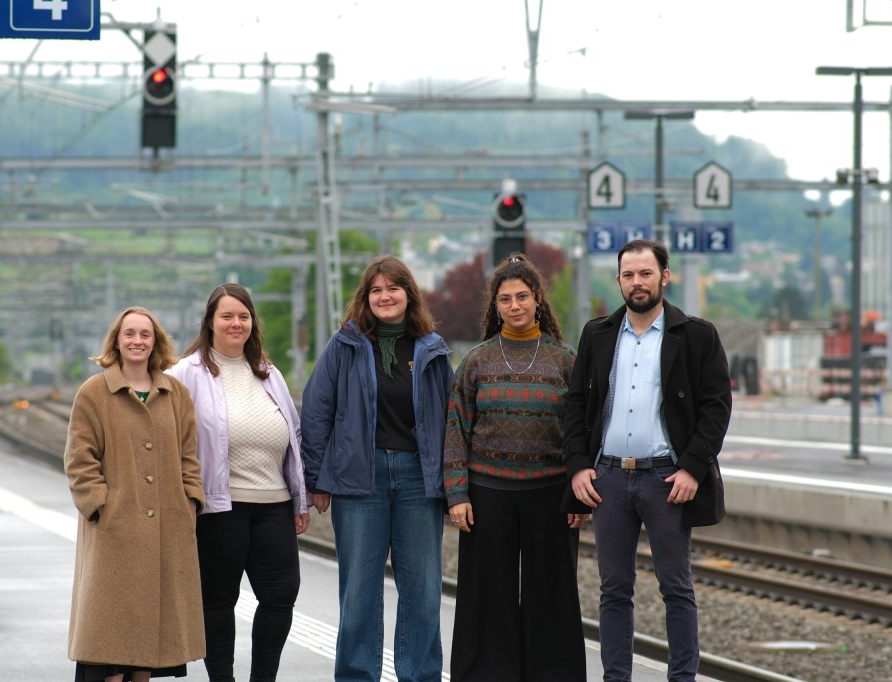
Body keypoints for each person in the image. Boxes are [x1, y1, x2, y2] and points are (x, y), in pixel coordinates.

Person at [562, 239, 732, 682]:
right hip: (609, 479)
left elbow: (717, 406)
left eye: (646, 273)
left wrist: (693, 468)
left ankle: (683, 678)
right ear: (618, 280)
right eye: (628, 275)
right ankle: (616, 677)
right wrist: (580, 465)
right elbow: (576, 403)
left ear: (664, 276)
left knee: (676, 588)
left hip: (667, 479)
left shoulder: (696, 335)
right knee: (613, 590)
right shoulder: (597, 334)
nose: (637, 283)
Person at [301, 255, 454, 682]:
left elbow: (453, 419)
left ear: (409, 294)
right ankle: (356, 676)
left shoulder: (433, 349)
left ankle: (420, 675)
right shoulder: (344, 346)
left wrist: (453, 485)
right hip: (357, 482)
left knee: (423, 592)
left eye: (393, 288)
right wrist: (315, 479)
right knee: (360, 594)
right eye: (376, 290)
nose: (385, 297)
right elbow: (315, 413)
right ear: (365, 299)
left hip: (416, 480)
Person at [443, 253, 586, 682]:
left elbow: (582, 432)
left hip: (552, 494)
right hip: (488, 494)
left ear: (538, 299)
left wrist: (580, 494)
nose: (515, 306)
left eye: (522, 297)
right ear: (496, 305)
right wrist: (457, 494)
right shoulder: (477, 361)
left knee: (553, 596)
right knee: (487, 596)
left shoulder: (566, 360)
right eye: (505, 299)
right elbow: (455, 428)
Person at [168, 283, 310, 682]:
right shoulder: (186, 373)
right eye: (227, 316)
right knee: (218, 602)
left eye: (243, 316)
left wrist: (299, 499)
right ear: (210, 322)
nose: (236, 323)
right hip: (219, 508)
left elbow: (293, 438)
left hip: (274, 506)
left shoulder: (269, 373)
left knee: (281, 597)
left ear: (252, 323)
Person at [65, 306, 205, 682]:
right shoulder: (94, 392)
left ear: (156, 342)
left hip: (167, 532)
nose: (137, 341)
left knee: (149, 651)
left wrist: (190, 502)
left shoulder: (175, 393)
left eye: (145, 335)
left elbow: (189, 455)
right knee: (109, 647)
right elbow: (80, 460)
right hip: (113, 533)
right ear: (117, 340)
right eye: (130, 334)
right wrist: (100, 506)